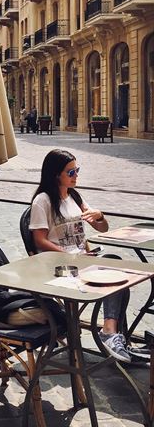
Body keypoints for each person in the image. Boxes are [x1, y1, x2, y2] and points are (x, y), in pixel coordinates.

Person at [28, 149, 146, 364]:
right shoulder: (42, 201)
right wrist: (69, 255)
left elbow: (102, 228)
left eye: (77, 170)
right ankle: (111, 334)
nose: (76, 176)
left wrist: (99, 215)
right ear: (56, 174)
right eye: (71, 172)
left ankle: (111, 332)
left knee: (118, 269)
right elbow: (39, 241)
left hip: (83, 259)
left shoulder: (74, 196)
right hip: (62, 266)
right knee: (114, 274)